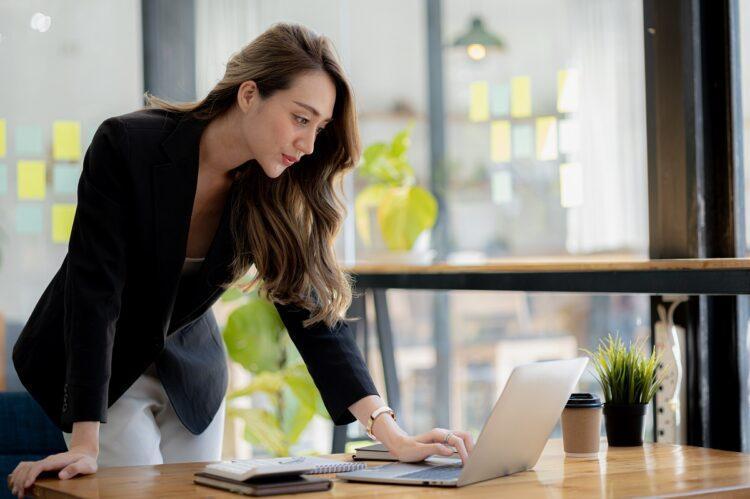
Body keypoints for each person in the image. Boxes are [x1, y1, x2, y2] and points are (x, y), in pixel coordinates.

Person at [8, 23, 474, 498]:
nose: (309, 144)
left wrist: (392, 435)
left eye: (320, 128)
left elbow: (311, 314)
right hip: (99, 366)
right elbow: (95, 291)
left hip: (190, 371)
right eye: (300, 118)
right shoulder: (127, 145)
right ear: (249, 94)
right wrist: (87, 440)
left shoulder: (272, 187)